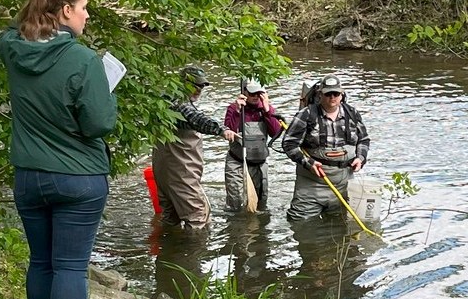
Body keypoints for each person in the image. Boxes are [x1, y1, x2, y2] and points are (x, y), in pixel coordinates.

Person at [0, 0, 117, 299]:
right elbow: (99, 123)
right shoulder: (83, 60)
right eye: (83, 9)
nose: (86, 17)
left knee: (41, 259)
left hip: (30, 176)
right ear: (66, 10)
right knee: (69, 266)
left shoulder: (13, 48)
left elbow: (13, 30)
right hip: (78, 178)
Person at [281, 73, 370, 221]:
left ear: (342, 95)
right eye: (328, 94)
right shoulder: (306, 114)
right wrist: (308, 163)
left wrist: (360, 158)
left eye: (336, 93)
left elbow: (364, 140)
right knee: (301, 225)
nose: (332, 97)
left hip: (344, 185)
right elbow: (289, 144)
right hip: (311, 185)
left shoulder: (352, 113)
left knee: (339, 228)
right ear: (320, 95)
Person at [151, 65, 224, 229]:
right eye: (195, 85)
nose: (199, 89)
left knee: (170, 217)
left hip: (164, 173)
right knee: (198, 218)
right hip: (181, 173)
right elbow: (197, 119)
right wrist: (221, 130)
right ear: (183, 83)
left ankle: (167, 250)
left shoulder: (163, 101)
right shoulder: (180, 105)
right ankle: (193, 253)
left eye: (202, 86)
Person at [223, 79, 285, 212]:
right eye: (252, 93)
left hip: (259, 164)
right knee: (237, 204)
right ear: (244, 92)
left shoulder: (267, 110)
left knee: (261, 204)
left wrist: (268, 111)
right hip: (237, 163)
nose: (256, 96)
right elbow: (229, 132)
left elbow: (275, 132)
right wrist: (238, 112)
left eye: (259, 93)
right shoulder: (233, 109)